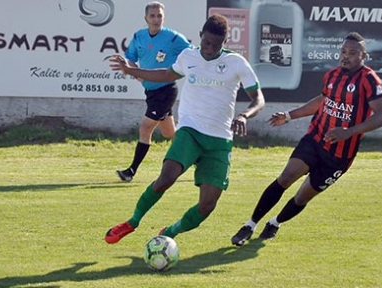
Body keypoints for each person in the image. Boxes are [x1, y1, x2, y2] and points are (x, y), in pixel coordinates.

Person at [104, 13, 265, 244]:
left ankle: (169, 233)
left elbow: (258, 99)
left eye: (216, 44)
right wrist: (132, 70)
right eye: (207, 42)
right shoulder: (188, 56)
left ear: (225, 42)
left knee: (207, 205)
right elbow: (165, 74)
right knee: (167, 177)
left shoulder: (236, 63)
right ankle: (132, 222)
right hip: (190, 131)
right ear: (200, 36)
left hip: (219, 141)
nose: (210, 48)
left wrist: (244, 115)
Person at [231, 32, 382, 246]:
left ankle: (275, 223)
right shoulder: (332, 75)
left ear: (363, 55)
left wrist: (349, 131)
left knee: (302, 197)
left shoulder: (369, 79)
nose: (346, 56)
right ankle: (249, 225)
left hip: (339, 156)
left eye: (353, 53)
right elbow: (323, 101)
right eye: (343, 51)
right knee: (285, 177)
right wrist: (289, 116)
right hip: (316, 140)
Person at [115, 1, 192, 182]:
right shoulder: (139, 36)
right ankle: (198, 157)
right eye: (152, 16)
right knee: (169, 133)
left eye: (159, 16)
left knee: (145, 128)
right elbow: (129, 60)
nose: (156, 19)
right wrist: (138, 76)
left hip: (166, 90)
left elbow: (193, 54)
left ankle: (131, 171)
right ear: (146, 18)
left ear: (164, 18)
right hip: (151, 93)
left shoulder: (174, 38)